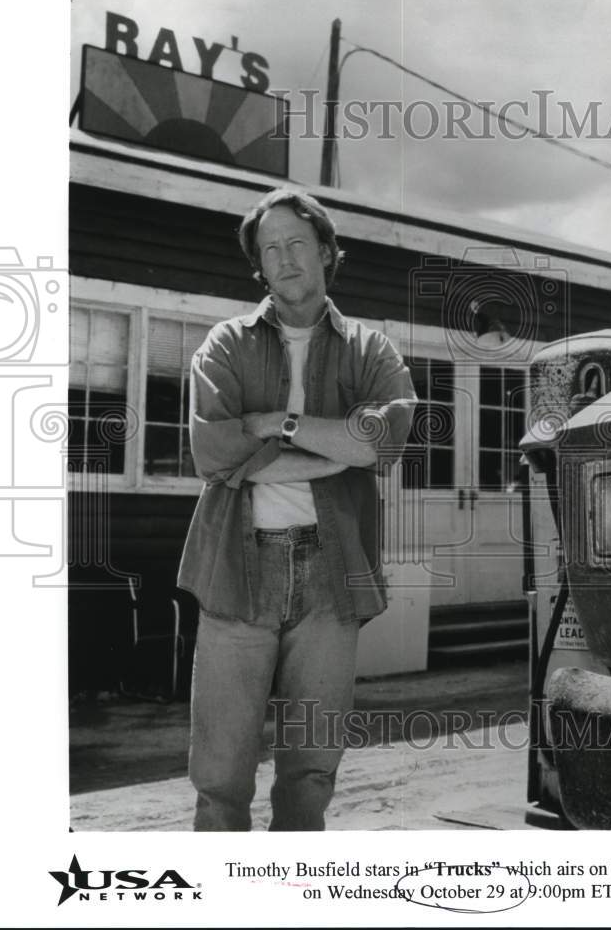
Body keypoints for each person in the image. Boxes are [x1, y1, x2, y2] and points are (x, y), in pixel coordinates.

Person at [177, 187, 416, 831]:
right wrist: (334, 446)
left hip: (331, 577)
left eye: (297, 244)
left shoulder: (371, 350)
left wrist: (274, 424)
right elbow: (214, 451)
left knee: (310, 775)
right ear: (259, 265)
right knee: (221, 781)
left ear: (327, 252)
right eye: (270, 249)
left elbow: (384, 437)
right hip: (235, 572)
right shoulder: (225, 345)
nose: (284, 260)